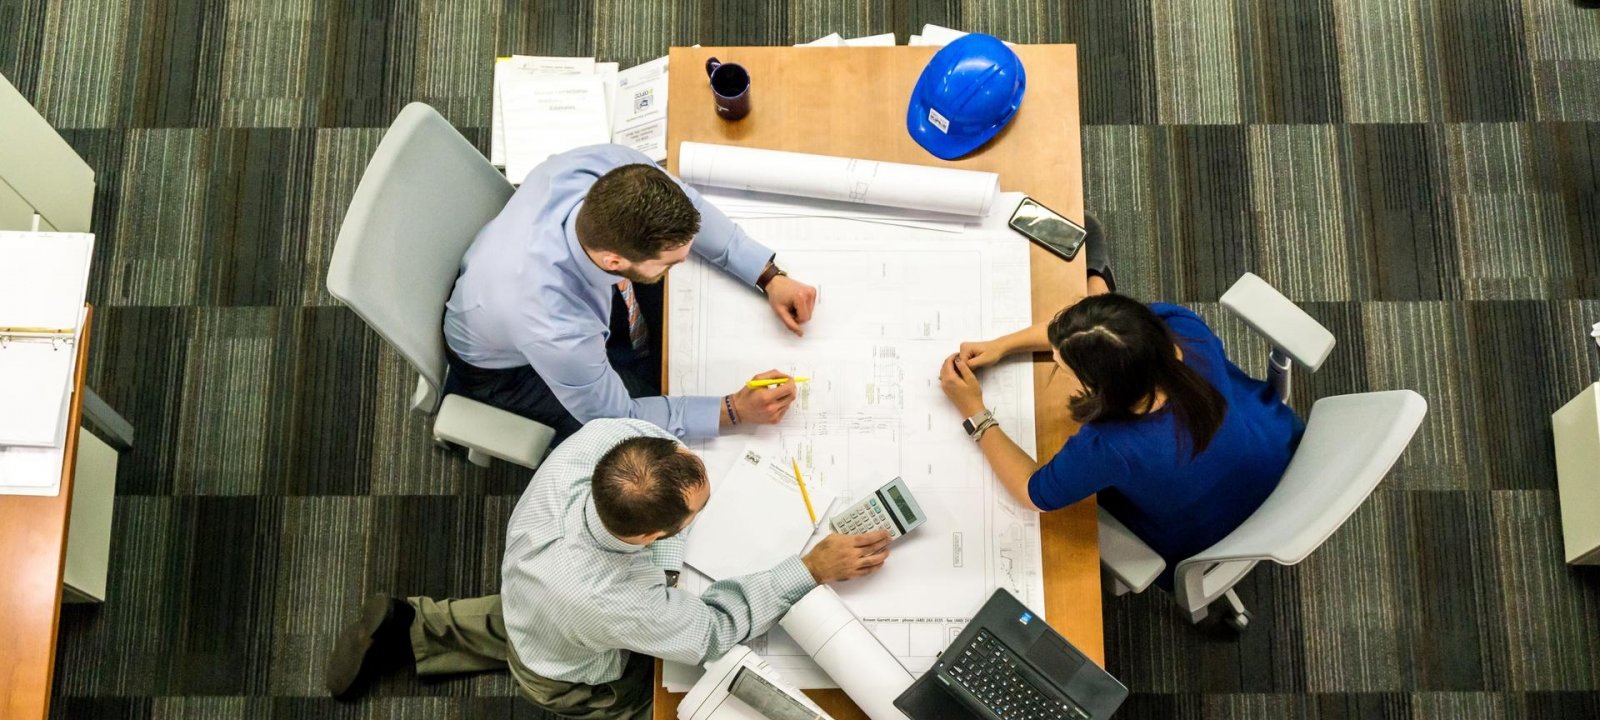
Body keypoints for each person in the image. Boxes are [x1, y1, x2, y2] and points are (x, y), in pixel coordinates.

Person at [325, 419, 891, 718]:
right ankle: (423, 635)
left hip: (533, 590)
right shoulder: (613, 599)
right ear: (648, 537)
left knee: (532, 619)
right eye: (697, 513)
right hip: (565, 670)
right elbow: (712, 631)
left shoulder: (604, 441)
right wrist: (809, 568)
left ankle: (412, 625)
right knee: (657, 699)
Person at [935, 220, 1303, 588]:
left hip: (1211, 531)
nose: (1056, 366)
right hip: (1276, 448)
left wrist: (974, 412)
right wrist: (1003, 345)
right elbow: (1091, 330)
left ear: (1102, 388)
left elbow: (1035, 493)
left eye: (1063, 367)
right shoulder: (1179, 327)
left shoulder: (1111, 447)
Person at [443, 144, 820, 443]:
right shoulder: (555, 325)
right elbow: (617, 418)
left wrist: (767, 275)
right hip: (507, 370)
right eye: (671, 262)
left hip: (512, 283)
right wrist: (732, 410)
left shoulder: (610, 167)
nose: (684, 262)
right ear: (613, 260)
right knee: (647, 445)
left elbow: (693, 208)